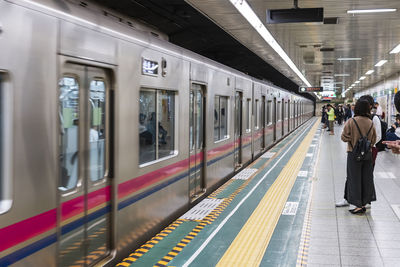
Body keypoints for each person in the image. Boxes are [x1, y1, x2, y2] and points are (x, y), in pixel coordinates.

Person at [339, 99, 377, 214]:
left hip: (353, 154)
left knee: (354, 179)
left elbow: (343, 137)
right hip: (367, 154)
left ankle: (358, 206)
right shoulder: (370, 122)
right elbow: (374, 139)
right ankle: (365, 203)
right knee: (366, 178)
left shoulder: (351, 121)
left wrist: (354, 140)